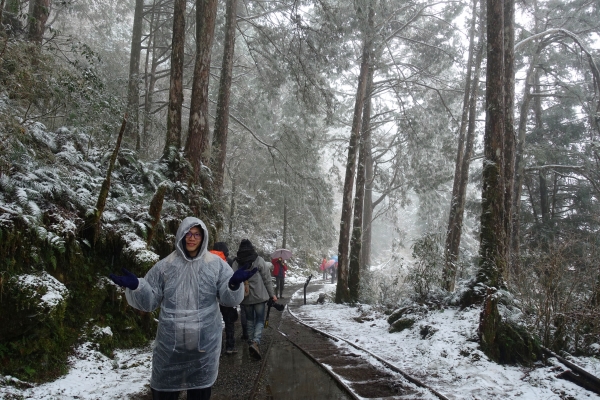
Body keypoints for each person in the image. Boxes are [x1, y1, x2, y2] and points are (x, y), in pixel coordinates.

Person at [108, 217, 256, 400]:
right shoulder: (166, 265)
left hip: (203, 347)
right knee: (164, 393)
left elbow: (227, 299)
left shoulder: (215, 264)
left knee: (199, 393)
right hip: (171, 348)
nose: (191, 238)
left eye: (196, 234)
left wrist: (233, 285)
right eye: (187, 233)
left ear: (203, 237)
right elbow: (151, 300)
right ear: (181, 235)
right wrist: (138, 287)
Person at [233, 239, 276, 360]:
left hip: (245, 297)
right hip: (259, 296)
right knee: (260, 320)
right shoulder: (258, 260)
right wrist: (272, 294)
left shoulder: (236, 262)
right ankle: (255, 341)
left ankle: (251, 342)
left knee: (250, 320)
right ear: (252, 248)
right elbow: (267, 279)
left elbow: (233, 278)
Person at [209, 242, 238, 355]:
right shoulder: (229, 262)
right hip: (225, 296)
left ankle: (217, 349)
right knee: (229, 322)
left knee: (215, 324)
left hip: (210, 298)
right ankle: (230, 346)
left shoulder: (206, 261)